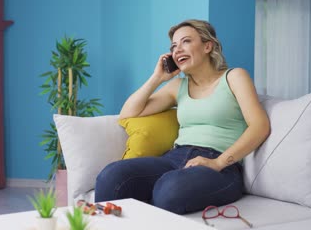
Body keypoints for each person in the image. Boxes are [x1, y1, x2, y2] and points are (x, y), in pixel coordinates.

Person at [95, 19, 270, 214]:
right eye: (174, 46)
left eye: (186, 41)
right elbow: (128, 113)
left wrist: (218, 163)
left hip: (220, 166)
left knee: (169, 190)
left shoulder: (235, 77)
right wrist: (157, 78)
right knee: (111, 175)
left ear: (207, 46)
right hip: (175, 158)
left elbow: (259, 126)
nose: (177, 50)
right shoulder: (178, 87)